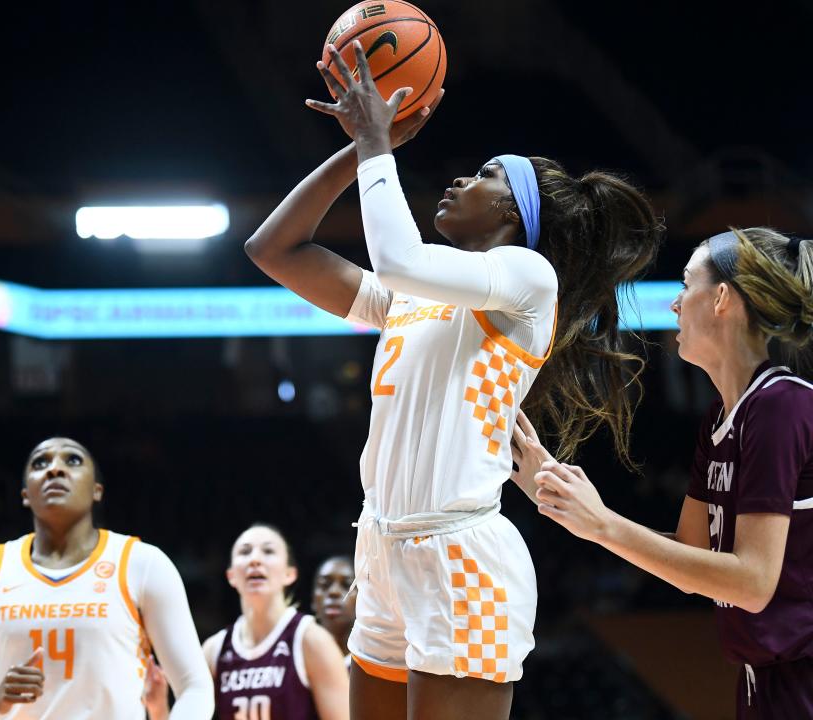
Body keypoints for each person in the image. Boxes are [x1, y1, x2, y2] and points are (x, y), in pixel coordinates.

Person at [244, 42, 661, 720]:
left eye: (484, 177)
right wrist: (358, 151)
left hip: (459, 554)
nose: (460, 181)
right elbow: (273, 249)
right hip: (380, 546)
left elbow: (400, 257)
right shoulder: (408, 297)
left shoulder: (529, 279)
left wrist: (379, 146)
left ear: (515, 216)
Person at [523, 228, 813, 718]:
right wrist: (566, 499)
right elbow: (689, 563)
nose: (675, 304)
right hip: (761, 680)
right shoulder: (723, 420)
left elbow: (752, 582)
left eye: (685, 283)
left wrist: (604, 525)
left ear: (721, 298)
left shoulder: (782, 406)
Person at [0, 437, 214, 719]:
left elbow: (195, 687)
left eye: (73, 460)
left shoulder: (142, 563)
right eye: (40, 463)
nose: (55, 469)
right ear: (26, 494)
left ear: (96, 490)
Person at [202, 524, 349, 720]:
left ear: (290, 574)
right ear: (231, 576)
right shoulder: (214, 650)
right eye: (245, 552)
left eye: (268, 551)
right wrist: (159, 704)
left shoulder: (311, 641)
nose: (255, 560)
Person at [311, 555, 356, 663]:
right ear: (313, 600)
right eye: (324, 585)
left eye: (346, 586)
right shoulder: (298, 658)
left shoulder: (374, 660)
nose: (334, 592)